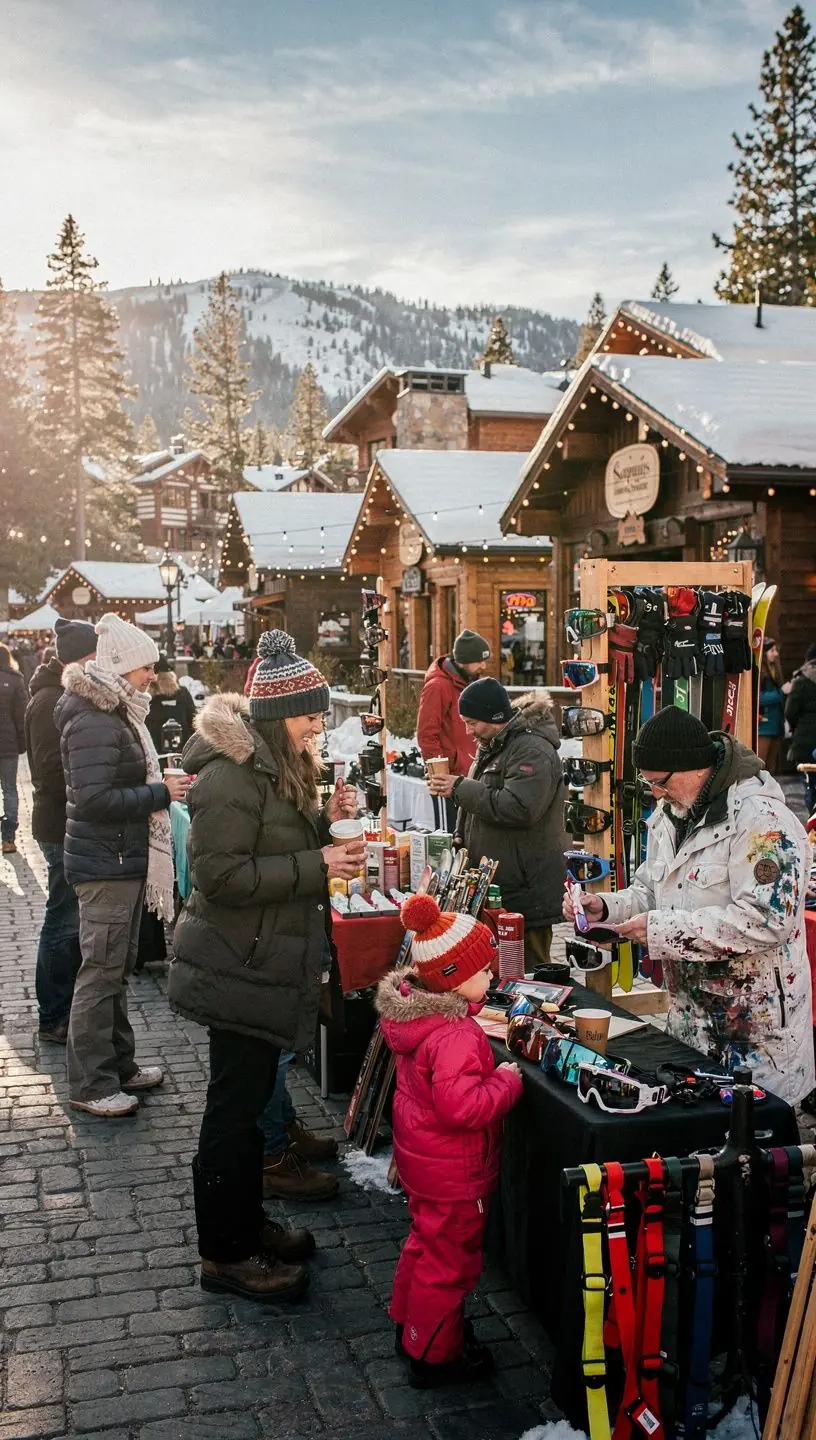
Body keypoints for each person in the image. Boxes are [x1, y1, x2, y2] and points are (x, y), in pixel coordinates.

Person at [168, 629, 363, 1303]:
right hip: (238, 964)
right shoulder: (231, 775)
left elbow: (270, 845)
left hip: (258, 959)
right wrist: (318, 862)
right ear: (279, 716)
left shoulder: (274, 765)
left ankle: (247, 1226)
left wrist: (322, 823)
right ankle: (225, 1254)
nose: (319, 725)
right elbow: (221, 877)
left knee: (248, 1109)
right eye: (311, 714)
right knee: (233, 1113)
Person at [562, 707, 815, 1106]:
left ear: (696, 767)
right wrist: (606, 908)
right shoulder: (670, 813)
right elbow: (651, 889)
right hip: (691, 1025)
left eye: (660, 782)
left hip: (756, 1034)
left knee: (756, 1133)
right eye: (649, 784)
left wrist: (660, 931)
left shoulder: (763, 821)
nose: (656, 794)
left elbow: (767, 920)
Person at [375, 892, 523, 1388]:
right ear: (454, 978)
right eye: (483, 970)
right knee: (450, 1264)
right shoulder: (456, 1033)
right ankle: (435, 1355)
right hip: (455, 1172)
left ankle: (411, 1326)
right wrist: (505, 1081)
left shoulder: (418, 1017)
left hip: (425, 1164)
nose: (492, 977)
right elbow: (462, 1108)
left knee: (425, 1242)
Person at [55, 613, 190, 1118]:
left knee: (115, 970)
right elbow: (92, 800)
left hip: (119, 857)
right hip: (105, 863)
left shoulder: (116, 710)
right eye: (145, 667)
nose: (152, 675)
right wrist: (159, 793)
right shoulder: (95, 717)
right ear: (120, 666)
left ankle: (119, 1066)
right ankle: (91, 1084)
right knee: (100, 974)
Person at [427, 680, 567, 969]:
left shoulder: (532, 750)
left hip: (525, 888)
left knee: (529, 970)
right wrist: (460, 836)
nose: (468, 731)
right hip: (501, 884)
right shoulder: (494, 744)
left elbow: (520, 808)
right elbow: (481, 798)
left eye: (472, 723)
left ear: (495, 716)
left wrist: (459, 788)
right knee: (497, 970)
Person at [25, 618, 97, 1042]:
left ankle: (62, 1008)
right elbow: (50, 771)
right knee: (62, 919)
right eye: (93, 657)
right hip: (57, 824)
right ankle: (53, 1014)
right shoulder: (49, 700)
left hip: (65, 821)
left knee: (68, 918)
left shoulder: (60, 694)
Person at [417, 630, 491, 829]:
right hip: (448, 781)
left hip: (468, 777)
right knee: (449, 835)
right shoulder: (438, 686)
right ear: (464, 661)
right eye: (479, 661)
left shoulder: (468, 683)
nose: (484, 666)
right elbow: (426, 733)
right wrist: (440, 775)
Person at [0, 642, 27, 855]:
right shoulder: (15, 679)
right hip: (8, 743)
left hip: (8, 743)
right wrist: (22, 742)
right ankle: (8, 839)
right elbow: (21, 716)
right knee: (9, 789)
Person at [145, 653, 196, 756]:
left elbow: (193, 720)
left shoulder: (148, 697)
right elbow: (193, 720)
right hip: (173, 751)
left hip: (166, 751)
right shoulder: (182, 693)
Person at [786, 642, 816, 814]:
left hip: (805, 740)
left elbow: (790, 712)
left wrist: (797, 727)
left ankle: (813, 819)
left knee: (810, 783)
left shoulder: (801, 681)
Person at [758, 638, 786, 775]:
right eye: (772, 651)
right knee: (761, 765)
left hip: (776, 725)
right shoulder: (760, 674)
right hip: (764, 726)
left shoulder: (776, 672)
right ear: (764, 653)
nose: (776, 654)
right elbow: (758, 698)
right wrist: (781, 692)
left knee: (771, 767)